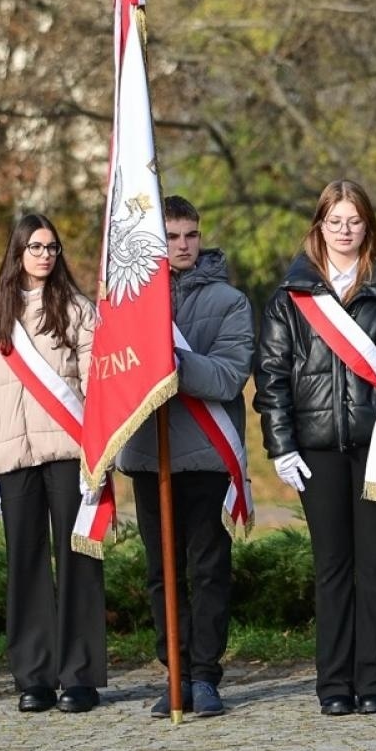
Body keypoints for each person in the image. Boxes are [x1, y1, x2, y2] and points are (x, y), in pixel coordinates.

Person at [253, 179, 376, 715]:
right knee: (332, 567)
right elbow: (271, 377)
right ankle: (334, 684)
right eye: (334, 221)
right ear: (319, 226)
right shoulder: (292, 295)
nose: (344, 230)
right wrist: (281, 445)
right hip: (316, 451)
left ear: (368, 227)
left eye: (354, 221)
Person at [116, 196, 254, 718]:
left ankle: (205, 674)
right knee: (161, 572)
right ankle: (173, 672)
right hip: (151, 456)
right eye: (171, 236)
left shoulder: (230, 301)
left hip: (205, 455)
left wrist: (169, 361)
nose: (182, 245)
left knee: (208, 569)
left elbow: (227, 377)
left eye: (189, 235)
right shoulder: (129, 301)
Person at [0, 213, 105, 714]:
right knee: (25, 565)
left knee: (78, 560)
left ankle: (80, 675)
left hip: (69, 453)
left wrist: (100, 457)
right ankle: (34, 677)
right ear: (17, 252)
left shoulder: (79, 310)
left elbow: (97, 388)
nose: (45, 255)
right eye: (36, 246)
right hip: (12, 458)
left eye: (52, 247)